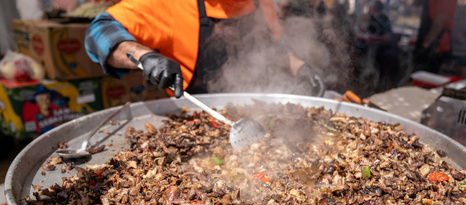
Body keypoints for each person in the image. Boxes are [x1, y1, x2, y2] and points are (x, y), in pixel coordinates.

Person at [85, 0, 325, 98]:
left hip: (255, 111)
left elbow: (274, 46)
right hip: (192, 122)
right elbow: (99, 32)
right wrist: (145, 56)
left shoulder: (261, 4)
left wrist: (299, 67)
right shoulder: (170, 4)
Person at [413, 0, 458, 74]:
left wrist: (426, 43)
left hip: (437, 44)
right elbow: (416, 4)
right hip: (428, 38)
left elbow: (441, 19)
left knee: (427, 74)